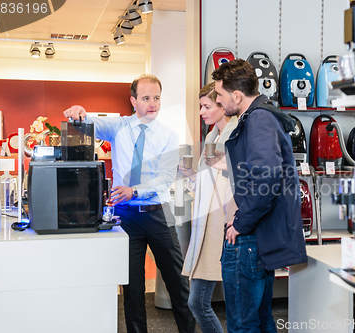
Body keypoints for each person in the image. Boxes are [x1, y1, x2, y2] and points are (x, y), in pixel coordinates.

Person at [63, 74, 196, 333]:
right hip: (126, 219)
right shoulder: (119, 127)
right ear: (133, 100)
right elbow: (89, 123)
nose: (152, 104)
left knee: (178, 285)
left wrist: (134, 191)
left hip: (159, 215)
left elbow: (165, 178)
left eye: (156, 98)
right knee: (132, 290)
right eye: (146, 98)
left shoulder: (168, 136)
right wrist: (78, 113)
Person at [210, 59, 308, 333]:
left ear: (237, 96)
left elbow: (265, 177)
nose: (218, 101)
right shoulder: (263, 116)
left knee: (244, 324)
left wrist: (241, 223)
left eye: (219, 95)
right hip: (259, 237)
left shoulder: (259, 120)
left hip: (251, 238)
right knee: (261, 319)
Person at [179, 82, 238, 333]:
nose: (201, 112)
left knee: (200, 302)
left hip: (225, 228)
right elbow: (211, 182)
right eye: (200, 106)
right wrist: (192, 174)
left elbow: (235, 184)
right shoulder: (213, 137)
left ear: (223, 106)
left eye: (206, 106)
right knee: (200, 302)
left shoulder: (234, 137)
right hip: (208, 228)